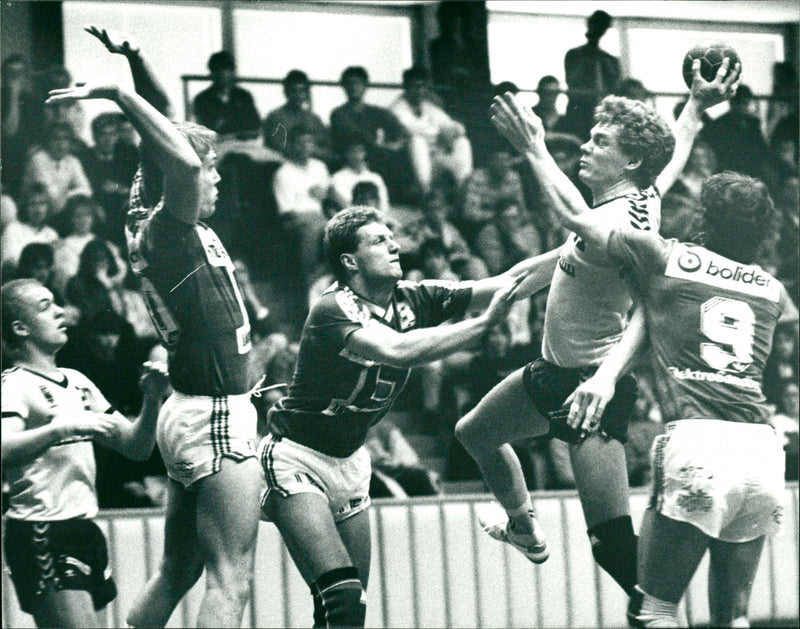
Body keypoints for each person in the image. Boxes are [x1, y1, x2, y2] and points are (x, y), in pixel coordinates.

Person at [455, 58, 741, 594]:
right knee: (474, 432)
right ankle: (522, 525)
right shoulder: (641, 195)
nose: (585, 146)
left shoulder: (610, 221)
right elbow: (672, 150)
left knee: (613, 549)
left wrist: (534, 148)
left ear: (629, 159)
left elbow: (567, 213)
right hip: (547, 375)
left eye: (599, 140)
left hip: (592, 391)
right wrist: (697, 106)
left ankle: (658, 614)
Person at [46, 25, 263, 627]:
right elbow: (182, 159)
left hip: (191, 409)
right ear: (179, 178)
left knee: (178, 571)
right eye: (210, 171)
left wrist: (135, 63)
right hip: (215, 411)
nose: (215, 178)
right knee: (232, 577)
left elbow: (164, 140)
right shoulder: (168, 229)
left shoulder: (155, 217)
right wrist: (121, 94)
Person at [257, 205, 556, 627]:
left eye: (391, 235)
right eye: (379, 240)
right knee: (340, 597)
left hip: (351, 461)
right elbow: (399, 350)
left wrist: (580, 245)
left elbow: (511, 281)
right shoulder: (333, 308)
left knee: (348, 610)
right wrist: (483, 325)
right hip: (296, 457)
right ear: (350, 261)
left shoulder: (414, 297)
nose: (395, 244)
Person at [536, 165, 795, 627]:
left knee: (652, 610)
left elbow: (577, 217)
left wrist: (534, 148)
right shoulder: (773, 291)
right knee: (733, 617)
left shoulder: (667, 257)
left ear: (704, 219)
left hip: (699, 441)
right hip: (762, 451)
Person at [1, 278, 169, 628]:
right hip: (42, 530)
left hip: (85, 530)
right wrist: (63, 428)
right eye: (45, 306)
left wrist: (152, 398)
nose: (61, 311)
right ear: (20, 327)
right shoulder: (14, 384)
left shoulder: (77, 381)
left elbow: (136, 448)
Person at [329, 66, 412, 202]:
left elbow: (402, 131)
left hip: (374, 157)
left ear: (365, 86)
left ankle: (403, 199)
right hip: (348, 158)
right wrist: (383, 146)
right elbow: (359, 137)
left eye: (358, 83)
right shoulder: (338, 113)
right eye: (349, 83)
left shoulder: (376, 111)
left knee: (399, 154)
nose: (354, 87)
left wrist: (396, 144)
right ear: (344, 87)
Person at [391, 65, 473, 195]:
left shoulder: (428, 107)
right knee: (417, 142)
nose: (418, 91)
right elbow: (411, 131)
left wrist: (453, 131)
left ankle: (464, 192)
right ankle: (425, 192)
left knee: (462, 142)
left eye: (422, 87)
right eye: (414, 86)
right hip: (410, 164)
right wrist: (440, 133)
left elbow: (456, 126)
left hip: (434, 159)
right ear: (406, 88)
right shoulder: (397, 109)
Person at [560, 10, 621, 141]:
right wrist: (587, 59)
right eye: (596, 25)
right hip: (580, 113)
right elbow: (571, 80)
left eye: (602, 27)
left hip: (604, 113)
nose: (598, 30)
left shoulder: (609, 60)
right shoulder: (575, 55)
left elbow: (616, 87)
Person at [262, 69, 333, 164]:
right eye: (294, 91)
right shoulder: (276, 117)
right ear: (286, 92)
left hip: (313, 165)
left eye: (302, 91)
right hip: (286, 164)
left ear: (307, 93)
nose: (298, 95)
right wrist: (308, 150)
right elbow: (279, 147)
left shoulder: (314, 118)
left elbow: (326, 146)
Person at [193, 51, 261, 139]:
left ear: (232, 72)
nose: (221, 73)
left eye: (225, 69)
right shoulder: (202, 99)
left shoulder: (244, 96)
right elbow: (203, 130)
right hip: (217, 144)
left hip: (244, 143)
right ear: (211, 72)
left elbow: (255, 125)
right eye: (217, 69)